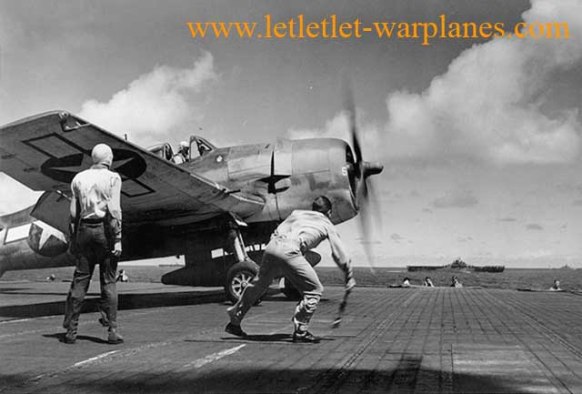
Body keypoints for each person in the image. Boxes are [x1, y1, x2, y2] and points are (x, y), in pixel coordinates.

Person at [225, 196, 355, 343]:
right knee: (314, 290)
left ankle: (234, 322)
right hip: (290, 250)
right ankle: (301, 330)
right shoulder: (327, 224)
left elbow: (279, 229)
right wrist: (349, 275)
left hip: (272, 246)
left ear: (313, 209)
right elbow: (339, 253)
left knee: (258, 285)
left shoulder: (297, 214)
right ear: (329, 212)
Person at [63, 143, 124, 345]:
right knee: (108, 281)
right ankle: (112, 331)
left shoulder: (78, 178)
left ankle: (71, 331)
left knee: (80, 281)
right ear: (108, 159)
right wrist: (117, 239)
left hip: (83, 231)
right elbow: (114, 210)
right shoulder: (113, 178)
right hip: (104, 231)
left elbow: (73, 214)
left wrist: (73, 239)